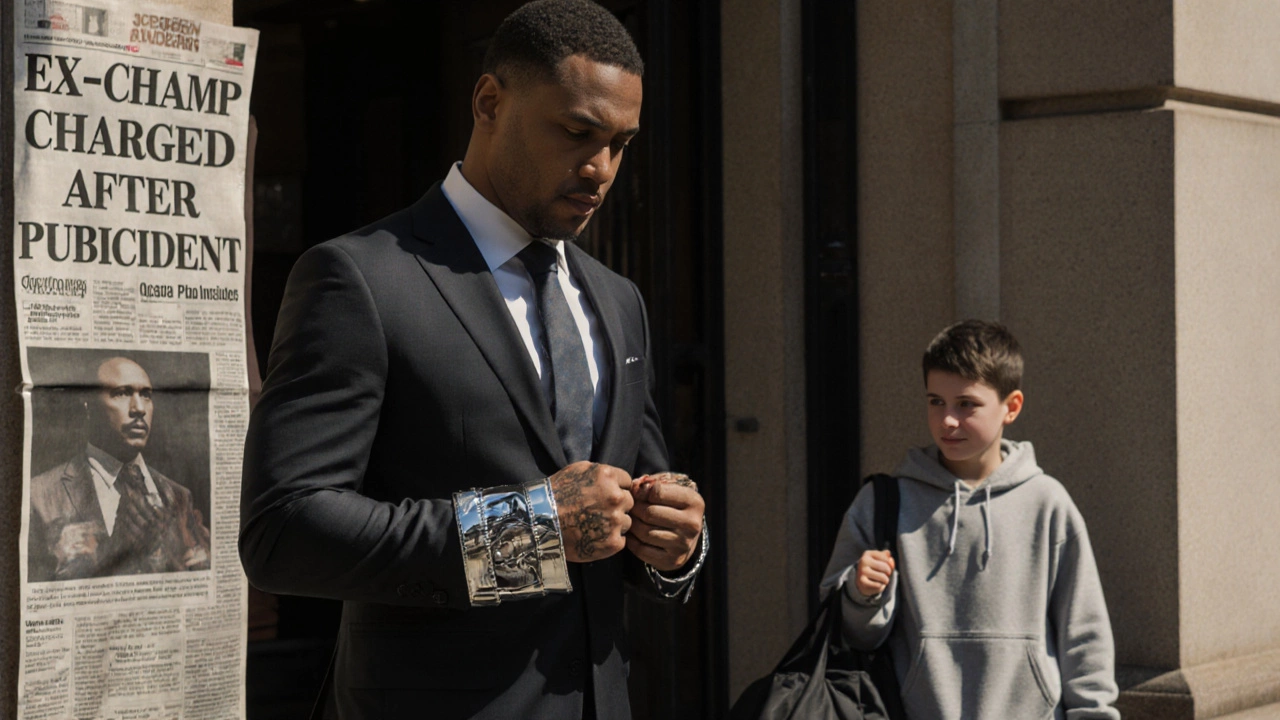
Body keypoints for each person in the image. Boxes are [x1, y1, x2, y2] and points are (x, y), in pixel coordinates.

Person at [237, 2, 707, 719]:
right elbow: (284, 533)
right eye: (577, 132)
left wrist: (670, 544)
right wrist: (533, 532)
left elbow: (618, 514)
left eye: (621, 143)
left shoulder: (617, 301)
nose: (600, 169)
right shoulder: (361, 278)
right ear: (490, 101)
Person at [822, 320, 1119, 719]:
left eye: (966, 404)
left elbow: (1084, 636)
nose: (947, 420)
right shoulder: (882, 503)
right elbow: (847, 633)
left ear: (1011, 407)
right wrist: (861, 594)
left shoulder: (1047, 503)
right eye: (935, 401)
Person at [28, 356, 211, 582]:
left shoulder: (179, 496)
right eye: (122, 393)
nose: (139, 409)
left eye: (146, 395)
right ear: (88, 405)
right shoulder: (39, 494)